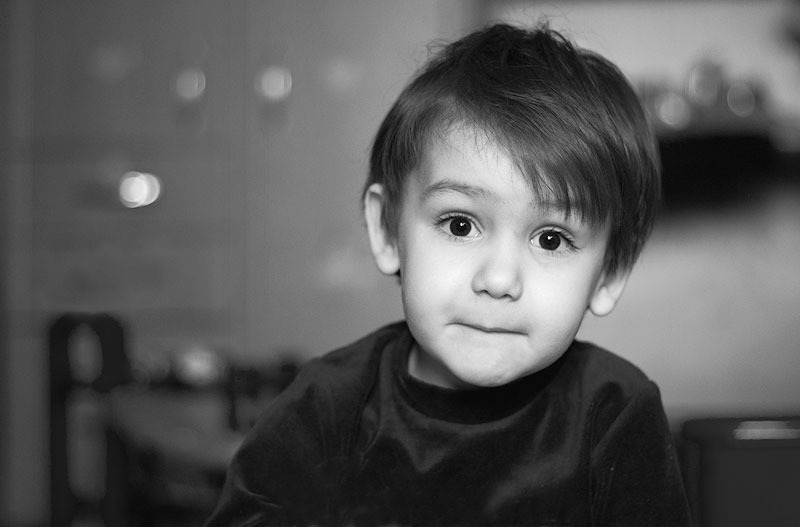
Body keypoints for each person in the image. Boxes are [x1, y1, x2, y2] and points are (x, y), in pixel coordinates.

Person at [206, 23, 691, 527]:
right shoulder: (326, 410)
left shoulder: (614, 414)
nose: (499, 280)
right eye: (460, 225)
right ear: (387, 229)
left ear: (609, 273)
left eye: (551, 239)